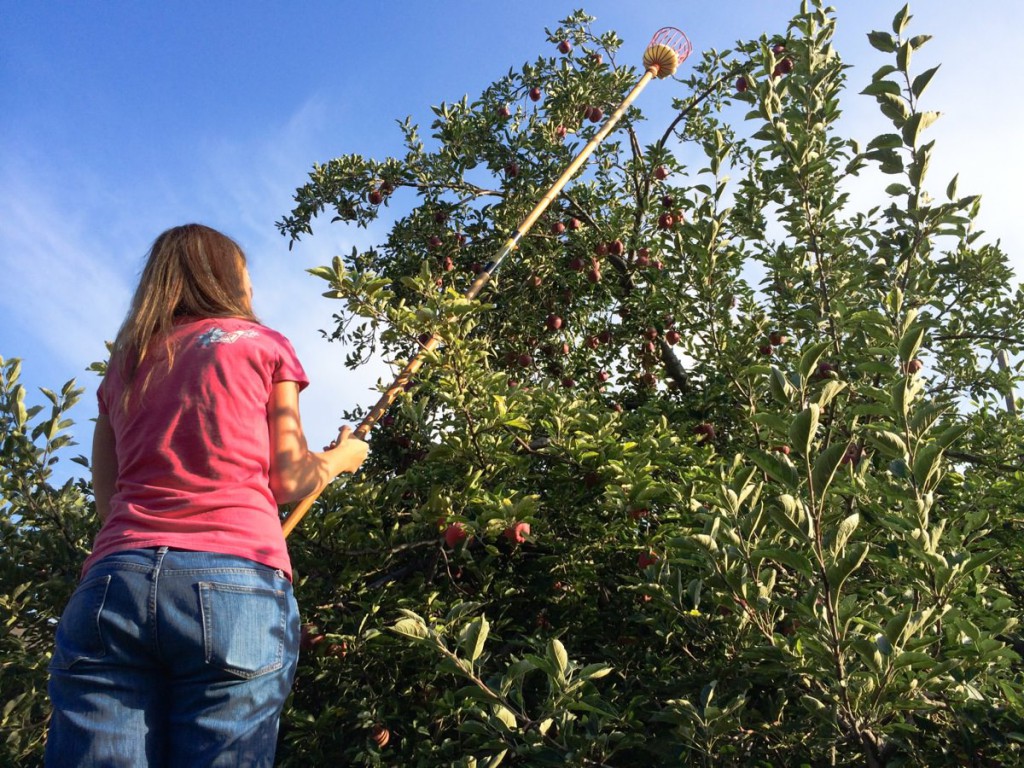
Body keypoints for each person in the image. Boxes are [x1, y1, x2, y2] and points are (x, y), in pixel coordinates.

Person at [45, 223, 369, 767]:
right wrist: (342, 458)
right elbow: (289, 478)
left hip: (116, 578)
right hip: (235, 578)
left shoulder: (125, 365)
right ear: (228, 281)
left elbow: (109, 503)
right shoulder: (263, 346)